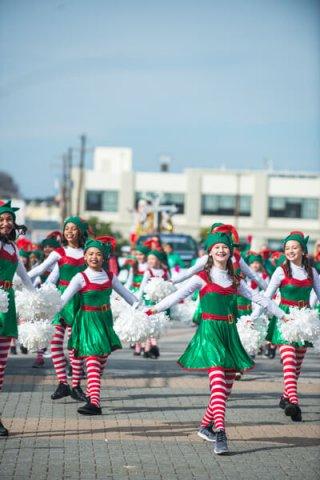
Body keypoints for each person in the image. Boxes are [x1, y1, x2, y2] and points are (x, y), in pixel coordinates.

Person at [145, 231, 289, 454]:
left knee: (226, 387)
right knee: (219, 380)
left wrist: (282, 315)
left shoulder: (235, 279)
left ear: (230, 252)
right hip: (209, 332)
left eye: (225, 247)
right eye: (217, 247)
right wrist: (153, 309)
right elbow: (177, 296)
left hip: (230, 333)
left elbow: (259, 298)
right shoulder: (201, 277)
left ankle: (205, 425)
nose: (221, 250)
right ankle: (221, 432)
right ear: (210, 252)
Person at [60, 238, 139, 415]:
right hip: (87, 321)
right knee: (93, 359)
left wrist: (143, 310)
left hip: (105, 320)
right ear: (85, 257)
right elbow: (63, 299)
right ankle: (94, 403)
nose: (94, 257)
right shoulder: (80, 277)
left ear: (104, 258)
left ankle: (91, 394)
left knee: (100, 362)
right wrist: (47, 309)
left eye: (98, 254)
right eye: (90, 254)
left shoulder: (110, 276)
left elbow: (128, 296)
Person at [252, 231, 320, 422]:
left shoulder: (312, 272)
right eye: (287, 248)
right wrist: (253, 316)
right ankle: (294, 403)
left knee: (296, 366)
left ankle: (285, 396)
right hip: (285, 320)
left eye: (294, 247)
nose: (290, 251)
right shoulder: (281, 270)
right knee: (288, 362)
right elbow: (266, 296)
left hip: (304, 321)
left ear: (303, 250)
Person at [28, 216, 89, 402]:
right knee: (55, 343)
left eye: (73, 228)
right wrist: (19, 279)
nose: (69, 232)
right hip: (59, 299)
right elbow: (41, 270)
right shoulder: (59, 252)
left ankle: (76, 385)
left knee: (74, 345)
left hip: (79, 300)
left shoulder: (88, 252)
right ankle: (63, 383)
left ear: (80, 231)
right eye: (67, 228)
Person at [0, 200, 35, 436]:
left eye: (9, 219)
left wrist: (37, 299)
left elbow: (24, 277)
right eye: (1, 219)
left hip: (7, 304)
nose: (5, 223)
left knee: (1, 366)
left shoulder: (13, 247)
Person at [138, 249, 170, 359]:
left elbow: (170, 285)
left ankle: (148, 349)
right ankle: (152, 347)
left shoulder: (165, 272)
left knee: (157, 324)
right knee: (150, 324)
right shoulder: (148, 272)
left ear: (159, 260)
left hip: (161, 303)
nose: (150, 261)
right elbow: (142, 286)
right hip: (149, 302)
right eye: (149, 258)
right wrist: (138, 299)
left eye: (153, 258)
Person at [125, 245, 150, 355]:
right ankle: (137, 346)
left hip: (145, 296)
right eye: (137, 254)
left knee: (144, 321)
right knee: (135, 321)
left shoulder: (149, 267)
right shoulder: (133, 266)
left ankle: (146, 346)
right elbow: (129, 282)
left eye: (141, 254)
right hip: (134, 294)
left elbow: (146, 284)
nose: (139, 256)